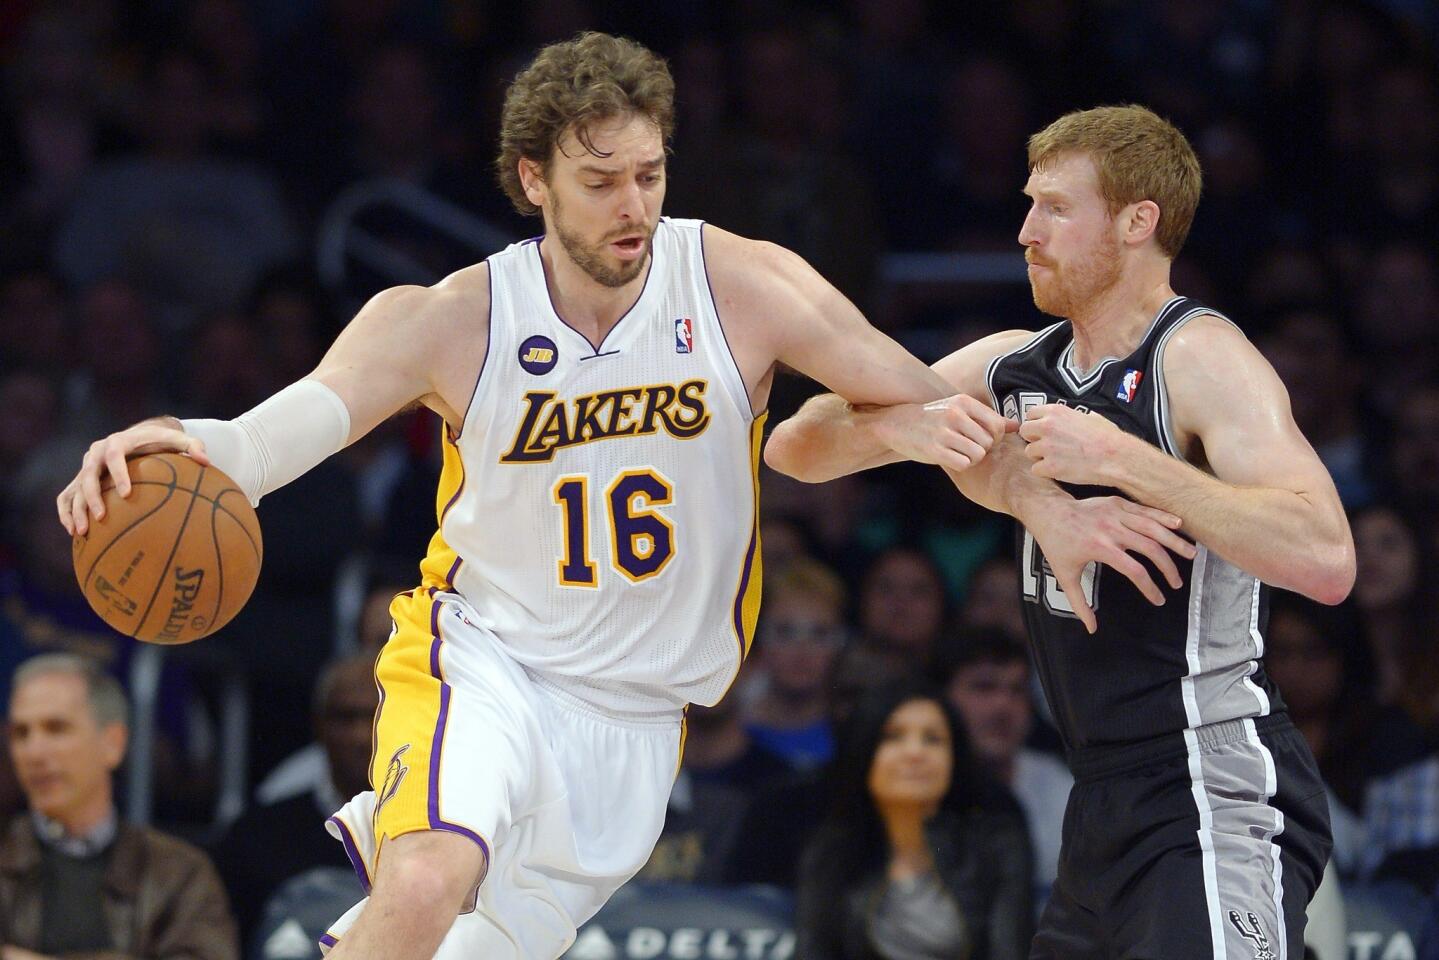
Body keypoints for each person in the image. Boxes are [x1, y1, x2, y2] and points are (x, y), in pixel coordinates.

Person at [51, 31, 1040, 960]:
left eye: (647, 176)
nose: (631, 206)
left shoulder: (742, 285)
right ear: (533, 180)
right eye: (599, 181)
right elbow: (283, 434)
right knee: (429, 877)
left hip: (641, 719)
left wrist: (1042, 489)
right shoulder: (454, 318)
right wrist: (188, 444)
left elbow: (919, 395)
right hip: (485, 659)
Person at [767, 104, 1353, 958]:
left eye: (1053, 208)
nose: (1024, 231)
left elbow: (1326, 557)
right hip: (1100, 799)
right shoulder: (1010, 362)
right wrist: (896, 430)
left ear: (1135, 221)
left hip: (1209, 781)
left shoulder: (1199, 358)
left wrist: (1127, 460)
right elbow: (794, 449)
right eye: (1027, 204)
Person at [1, 653, 237, 960]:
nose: (34, 751)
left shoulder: (180, 873)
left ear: (113, 743)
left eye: (56, 728)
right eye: (21, 733)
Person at [796, 678, 1033, 960]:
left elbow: (1009, 951)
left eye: (933, 739)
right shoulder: (833, 850)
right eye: (894, 736)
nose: (915, 753)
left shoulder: (996, 843)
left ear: (953, 758)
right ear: (866, 751)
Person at [211, 655, 379, 950]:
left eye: (376, 716)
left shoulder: (437, 833)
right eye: (345, 717)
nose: (360, 736)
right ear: (318, 725)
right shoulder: (257, 836)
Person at [938, 630, 1070, 907]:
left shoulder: (1061, 785)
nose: (1003, 705)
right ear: (942, 698)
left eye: (1017, 690)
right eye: (984, 687)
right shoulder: (917, 782)